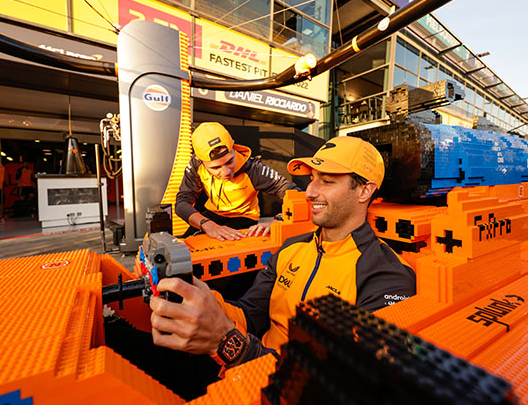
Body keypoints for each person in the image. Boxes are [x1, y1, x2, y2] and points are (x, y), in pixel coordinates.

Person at [151, 136, 416, 368]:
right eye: (312, 179)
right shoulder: (291, 249)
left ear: (364, 191)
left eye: (327, 181)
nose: (310, 192)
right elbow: (250, 314)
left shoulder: (387, 276)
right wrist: (205, 302)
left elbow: (346, 381)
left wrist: (233, 346)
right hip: (244, 370)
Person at [176, 122, 298, 241]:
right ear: (201, 161)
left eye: (229, 161)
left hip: (244, 217)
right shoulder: (196, 163)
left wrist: (280, 219)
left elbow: (296, 194)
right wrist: (207, 224)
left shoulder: (254, 170)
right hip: (212, 214)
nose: (226, 172)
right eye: (215, 168)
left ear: (233, 146)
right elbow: (182, 202)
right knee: (184, 247)